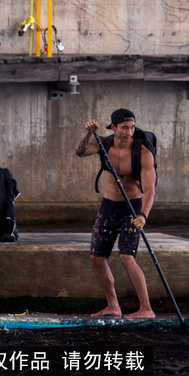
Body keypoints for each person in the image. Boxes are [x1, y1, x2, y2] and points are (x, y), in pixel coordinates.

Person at [75, 108, 156, 318]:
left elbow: (149, 189)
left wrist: (143, 216)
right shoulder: (103, 144)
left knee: (127, 257)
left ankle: (146, 309)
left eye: (132, 127)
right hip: (108, 207)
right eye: (124, 128)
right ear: (113, 127)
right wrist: (89, 133)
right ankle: (113, 306)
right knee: (96, 257)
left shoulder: (142, 153)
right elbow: (80, 151)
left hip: (132, 208)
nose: (129, 132)